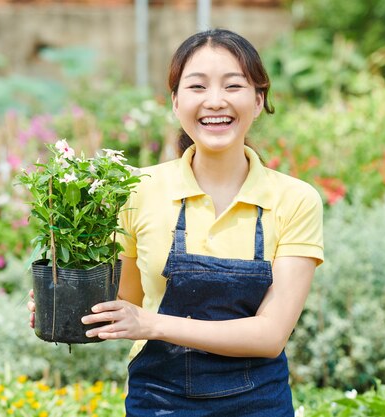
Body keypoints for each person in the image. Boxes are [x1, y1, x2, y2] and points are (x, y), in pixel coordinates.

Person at [28, 28, 324, 416]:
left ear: (258, 99)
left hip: (258, 405)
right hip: (159, 403)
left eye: (233, 85)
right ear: (175, 101)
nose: (214, 101)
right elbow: (129, 302)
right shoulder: (139, 190)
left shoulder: (295, 199)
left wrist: (154, 324)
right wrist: (64, 301)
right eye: (197, 87)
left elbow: (270, 335)